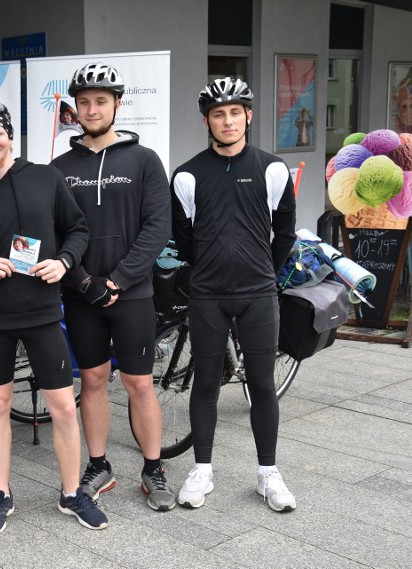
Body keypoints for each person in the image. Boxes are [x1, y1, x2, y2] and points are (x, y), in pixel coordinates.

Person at [0, 100, 108, 534]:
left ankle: (73, 493)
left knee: (61, 406)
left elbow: (78, 229)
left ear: (10, 136)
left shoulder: (45, 177)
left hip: (41, 313)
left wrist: (64, 262)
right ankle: (1, 493)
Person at [50, 62, 175, 512]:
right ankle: (99, 464)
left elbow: (157, 227)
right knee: (94, 379)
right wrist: (84, 282)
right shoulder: (60, 166)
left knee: (140, 382)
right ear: (75, 108)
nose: (92, 108)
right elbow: (56, 231)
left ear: (117, 104)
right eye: (84, 102)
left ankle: (154, 467)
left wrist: (118, 279)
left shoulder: (143, 160)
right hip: (81, 296)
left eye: (101, 100)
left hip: (133, 293)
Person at [170, 77, 297, 512]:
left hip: (259, 293)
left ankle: (268, 474)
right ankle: (202, 470)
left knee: (261, 383)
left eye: (235, 112)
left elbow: (284, 235)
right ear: (207, 120)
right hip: (207, 296)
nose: (227, 120)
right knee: (205, 383)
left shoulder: (272, 168)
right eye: (218, 113)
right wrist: (211, 269)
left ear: (248, 115)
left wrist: (262, 272)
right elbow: (183, 240)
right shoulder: (187, 174)